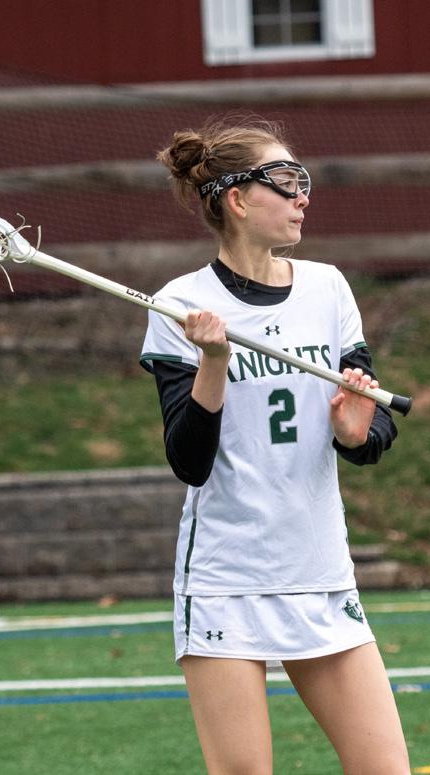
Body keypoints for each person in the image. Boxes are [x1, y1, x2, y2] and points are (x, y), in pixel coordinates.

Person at [140, 117, 410, 774]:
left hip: (320, 571)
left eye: (302, 181)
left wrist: (357, 432)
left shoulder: (327, 288)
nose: (302, 197)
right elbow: (189, 461)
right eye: (287, 182)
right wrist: (213, 361)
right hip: (227, 577)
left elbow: (370, 422)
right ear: (238, 198)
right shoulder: (180, 305)